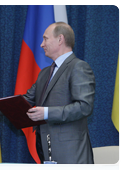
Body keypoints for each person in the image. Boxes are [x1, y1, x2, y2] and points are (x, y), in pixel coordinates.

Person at [24, 22, 95, 165]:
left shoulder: (79, 67)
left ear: (60, 39)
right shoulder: (44, 73)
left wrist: (46, 113)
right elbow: (26, 101)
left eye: (45, 39)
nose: (41, 44)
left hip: (71, 154)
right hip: (46, 151)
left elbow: (84, 106)